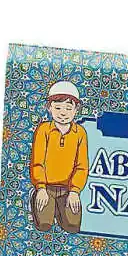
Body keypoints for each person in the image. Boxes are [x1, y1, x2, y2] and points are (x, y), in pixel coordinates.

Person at [29, 80, 89, 233]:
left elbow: (82, 166)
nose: (63, 113)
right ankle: (40, 200)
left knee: (72, 226)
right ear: (49, 108)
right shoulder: (44, 129)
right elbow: (37, 162)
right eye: (58, 108)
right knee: (44, 224)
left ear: (76, 109)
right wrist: (41, 188)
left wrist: (75, 191)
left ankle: (59, 208)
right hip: (46, 187)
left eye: (68, 108)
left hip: (68, 189)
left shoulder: (80, 133)